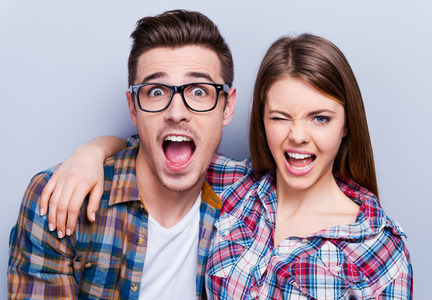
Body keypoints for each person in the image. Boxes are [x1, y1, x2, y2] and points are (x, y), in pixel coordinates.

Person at [36, 35, 412, 298]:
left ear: (347, 124)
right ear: (261, 121)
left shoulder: (379, 250)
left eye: (320, 119)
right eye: (281, 117)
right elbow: (148, 150)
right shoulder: (238, 190)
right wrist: (91, 152)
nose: (298, 136)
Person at [8, 9, 252, 299]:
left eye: (199, 91)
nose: (176, 113)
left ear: (227, 107)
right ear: (133, 108)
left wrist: (97, 147)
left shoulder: (249, 197)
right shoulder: (61, 200)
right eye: (156, 91)